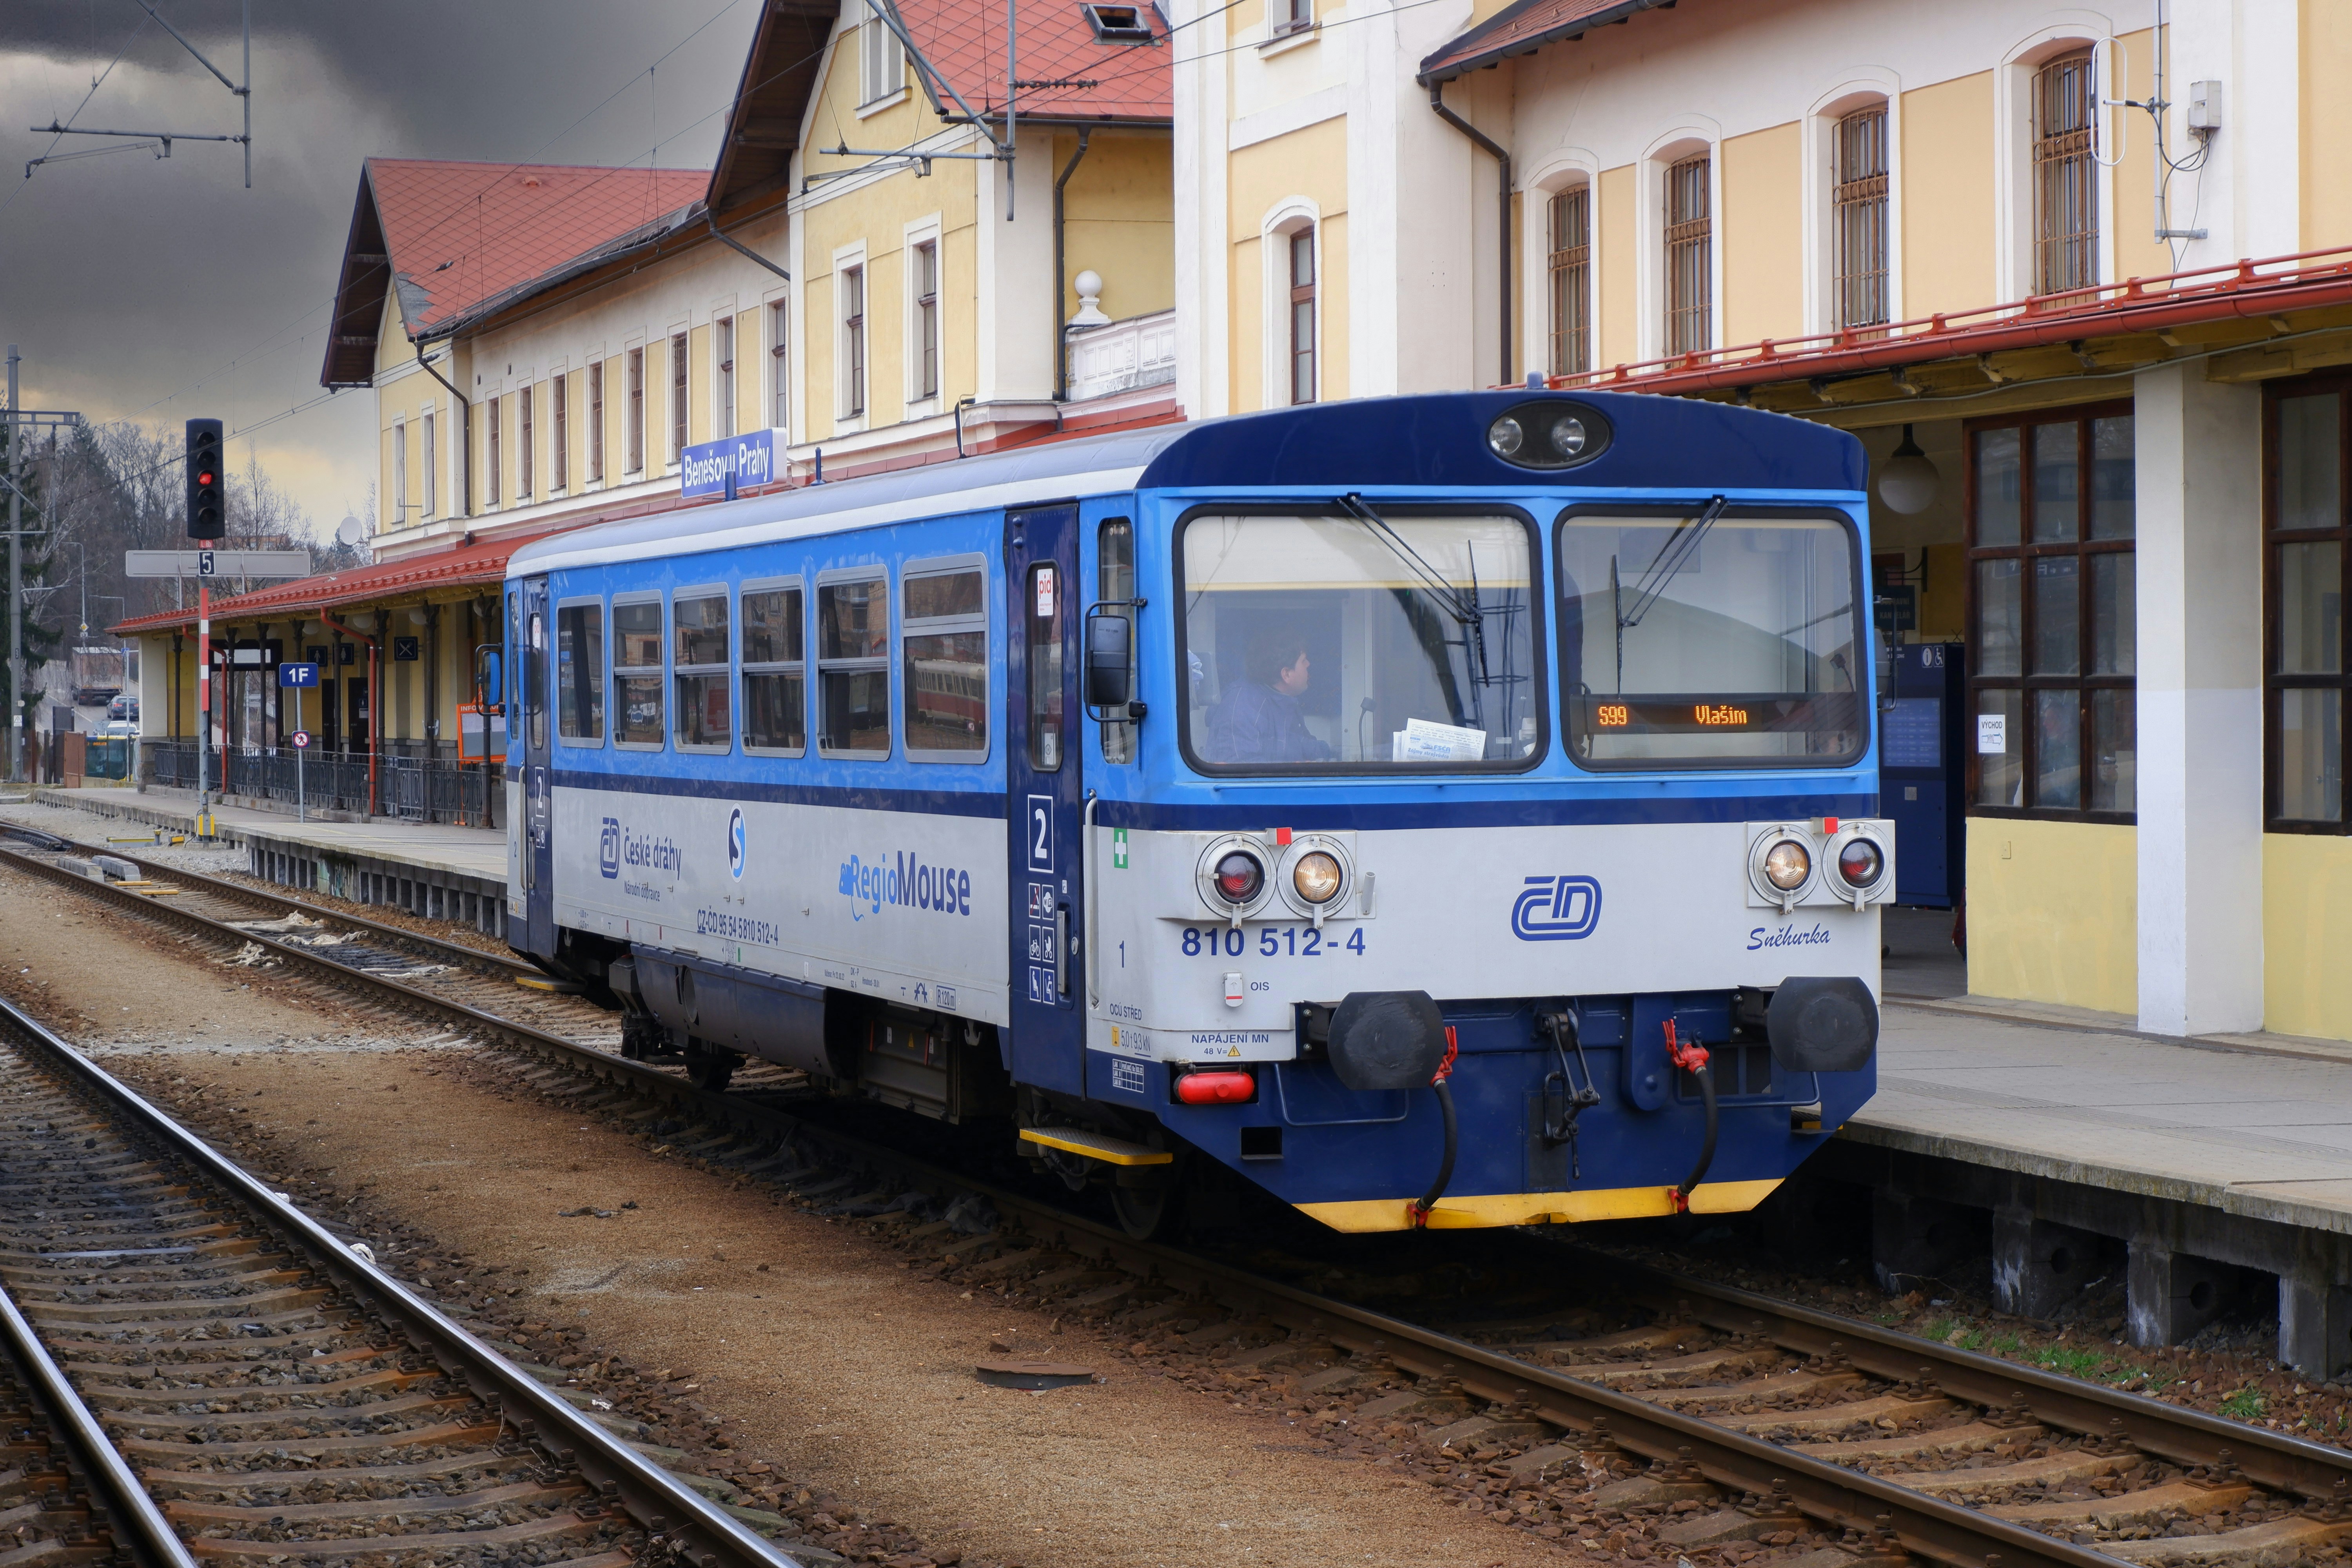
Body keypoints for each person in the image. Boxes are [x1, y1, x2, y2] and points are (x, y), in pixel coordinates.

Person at [1207, 631, 1332, 762]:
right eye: (1304, 661)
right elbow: (1240, 768)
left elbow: (1303, 745)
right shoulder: (1242, 706)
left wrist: (1338, 755)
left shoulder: (1283, 702)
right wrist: (1292, 770)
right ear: (1287, 674)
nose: (1309, 664)